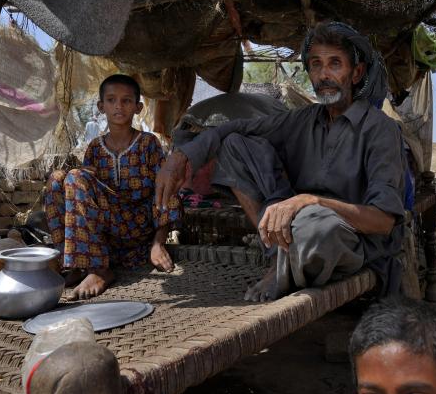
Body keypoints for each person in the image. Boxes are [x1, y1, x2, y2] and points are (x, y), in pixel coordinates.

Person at [156, 21, 406, 301]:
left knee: (315, 228)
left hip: (349, 238)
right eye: (315, 64)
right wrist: (180, 157)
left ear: (356, 73)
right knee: (235, 144)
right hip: (297, 222)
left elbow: (383, 221)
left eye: (335, 64)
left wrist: (312, 201)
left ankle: (285, 266)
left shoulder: (380, 129)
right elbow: (232, 128)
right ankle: (280, 258)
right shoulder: (301, 119)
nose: (324, 74)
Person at [44, 74, 181, 299]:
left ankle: (99, 270)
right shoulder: (95, 148)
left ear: (138, 107)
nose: (119, 106)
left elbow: (165, 191)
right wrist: (79, 180)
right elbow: (83, 189)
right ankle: (76, 264)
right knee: (58, 178)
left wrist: (158, 243)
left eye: (126, 101)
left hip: (137, 231)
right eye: (111, 100)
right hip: (105, 236)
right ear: (101, 106)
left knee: (75, 176)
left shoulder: (148, 143)